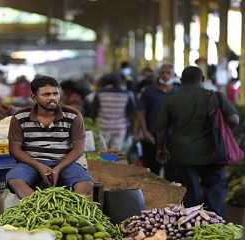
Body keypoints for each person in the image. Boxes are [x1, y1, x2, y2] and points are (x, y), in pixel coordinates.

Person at [156, 66, 239, 217]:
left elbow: (161, 129)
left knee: (189, 194)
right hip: (213, 152)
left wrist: (160, 149)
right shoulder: (215, 96)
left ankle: (192, 226)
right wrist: (221, 131)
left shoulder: (171, 99)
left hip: (182, 154)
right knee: (215, 191)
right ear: (202, 80)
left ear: (180, 80)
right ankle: (216, 224)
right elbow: (234, 119)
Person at [6, 76, 94, 199]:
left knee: (86, 184)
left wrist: (58, 168)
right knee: (15, 180)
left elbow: (78, 149)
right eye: (46, 94)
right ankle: (35, 208)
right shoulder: (19, 117)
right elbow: (15, 149)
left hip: (65, 162)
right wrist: (39, 166)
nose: (52, 98)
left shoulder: (73, 115)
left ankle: (73, 211)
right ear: (34, 97)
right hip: (31, 163)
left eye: (55, 93)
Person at [137, 64, 179, 178]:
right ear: (158, 74)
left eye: (168, 73)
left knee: (172, 172)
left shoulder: (178, 91)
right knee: (152, 171)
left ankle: (170, 194)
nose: (165, 75)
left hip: (172, 137)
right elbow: (141, 111)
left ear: (173, 75)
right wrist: (145, 132)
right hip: (152, 136)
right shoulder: (149, 91)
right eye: (163, 72)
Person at [92, 73, 137, 151]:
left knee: (102, 153)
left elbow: (93, 111)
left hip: (102, 127)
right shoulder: (126, 94)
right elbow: (131, 113)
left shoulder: (99, 93)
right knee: (115, 154)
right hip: (119, 128)